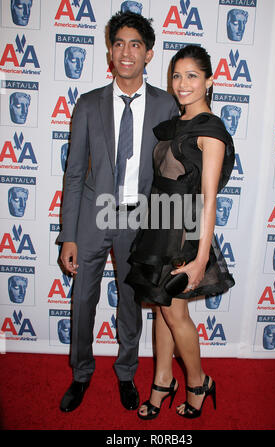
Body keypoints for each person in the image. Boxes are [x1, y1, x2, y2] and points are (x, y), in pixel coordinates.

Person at [58, 11, 178, 413]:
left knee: (130, 301)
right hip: (93, 216)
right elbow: (74, 173)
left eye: (136, 44)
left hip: (138, 219)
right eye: (119, 43)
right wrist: (69, 235)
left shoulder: (166, 105)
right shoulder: (88, 104)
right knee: (83, 300)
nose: (126, 52)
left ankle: (127, 372)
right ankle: (81, 373)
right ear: (110, 51)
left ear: (149, 53)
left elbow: (174, 172)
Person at [126, 45, 235, 419]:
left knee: (175, 314)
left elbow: (208, 200)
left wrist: (201, 258)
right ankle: (161, 380)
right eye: (177, 75)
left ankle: (198, 381)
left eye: (192, 75)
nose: (183, 83)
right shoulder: (174, 126)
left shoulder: (211, 131)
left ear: (209, 80)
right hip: (159, 223)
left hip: (184, 233)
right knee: (162, 307)